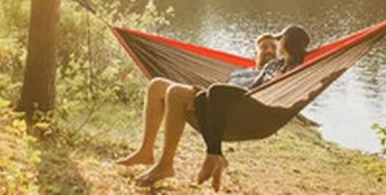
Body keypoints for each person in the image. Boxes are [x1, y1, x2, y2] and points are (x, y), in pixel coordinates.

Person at [117, 26, 310, 190]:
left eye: (273, 47)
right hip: (215, 101)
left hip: (245, 112)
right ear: (255, 54)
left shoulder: (278, 71)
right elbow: (223, 86)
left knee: (179, 92)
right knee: (157, 85)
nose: (268, 49)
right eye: (263, 47)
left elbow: (294, 63)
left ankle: (174, 162)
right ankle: (147, 151)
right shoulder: (242, 72)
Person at [194, 25, 310, 190]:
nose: (277, 42)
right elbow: (255, 83)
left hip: (262, 106)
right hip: (251, 95)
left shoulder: (298, 70)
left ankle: (212, 155)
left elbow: (291, 90)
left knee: (215, 90)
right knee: (200, 99)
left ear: (289, 42)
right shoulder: (274, 65)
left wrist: (276, 82)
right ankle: (215, 154)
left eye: (280, 38)